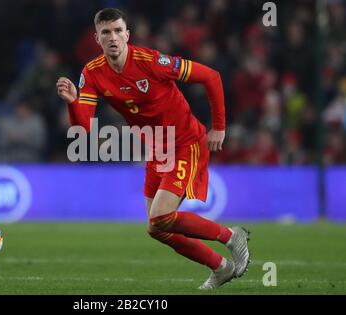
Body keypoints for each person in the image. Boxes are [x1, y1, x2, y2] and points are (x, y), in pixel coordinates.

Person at [56, 8, 250, 290]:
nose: (113, 37)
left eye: (118, 31)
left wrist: (218, 126)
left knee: (161, 216)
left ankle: (232, 237)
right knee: (156, 228)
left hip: (185, 142)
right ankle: (220, 267)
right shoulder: (93, 72)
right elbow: (83, 129)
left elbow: (211, 76)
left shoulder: (151, 61)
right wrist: (73, 102)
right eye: (106, 32)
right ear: (97, 39)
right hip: (157, 151)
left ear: (127, 34)